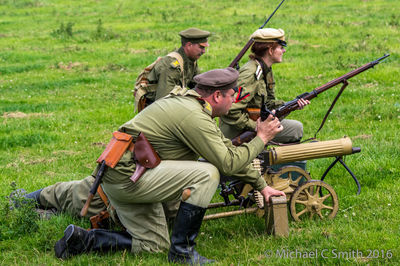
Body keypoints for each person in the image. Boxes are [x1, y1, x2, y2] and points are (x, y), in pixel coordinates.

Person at [54, 67, 285, 264]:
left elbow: (225, 150)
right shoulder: (193, 117)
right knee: (207, 174)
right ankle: (183, 251)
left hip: (126, 174)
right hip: (129, 179)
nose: (235, 101)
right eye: (232, 96)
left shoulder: (189, 105)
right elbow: (227, 163)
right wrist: (262, 138)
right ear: (216, 96)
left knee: (153, 245)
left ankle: (84, 240)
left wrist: (261, 186)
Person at [220, 28, 310, 143]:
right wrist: (257, 127)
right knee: (295, 129)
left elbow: (267, 105)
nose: (284, 51)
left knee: (296, 128)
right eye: (281, 47)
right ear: (270, 50)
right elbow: (231, 110)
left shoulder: (265, 69)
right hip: (237, 133)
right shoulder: (251, 74)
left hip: (252, 123)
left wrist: (292, 105)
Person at [137, 27, 210, 107]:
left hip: (172, 104)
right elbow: (164, 100)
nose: (204, 51)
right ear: (189, 45)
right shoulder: (170, 66)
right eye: (201, 47)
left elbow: (198, 86)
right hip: (156, 109)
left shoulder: (190, 60)